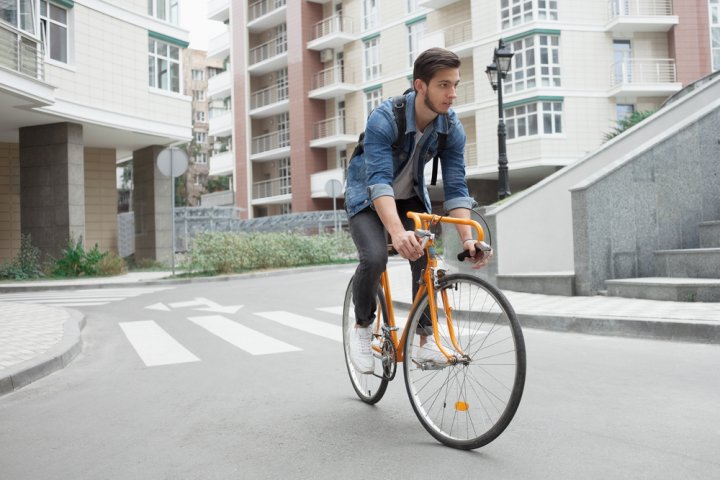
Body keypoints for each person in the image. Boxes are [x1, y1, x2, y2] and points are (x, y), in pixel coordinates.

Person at [344, 47, 490, 374]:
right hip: (368, 195)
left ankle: (425, 344)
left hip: (408, 196)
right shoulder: (385, 117)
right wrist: (396, 233)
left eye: (455, 84)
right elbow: (379, 182)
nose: (452, 94)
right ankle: (362, 327)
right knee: (375, 257)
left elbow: (456, 187)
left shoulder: (451, 128)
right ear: (420, 85)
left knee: (426, 257)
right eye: (443, 85)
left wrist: (467, 240)